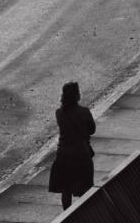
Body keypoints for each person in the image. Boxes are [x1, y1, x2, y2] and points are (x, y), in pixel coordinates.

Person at [48, 82, 96, 210]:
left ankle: (67, 214)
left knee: (66, 188)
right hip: (81, 153)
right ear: (77, 95)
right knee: (85, 186)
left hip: (63, 154)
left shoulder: (59, 113)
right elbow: (92, 130)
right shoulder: (84, 112)